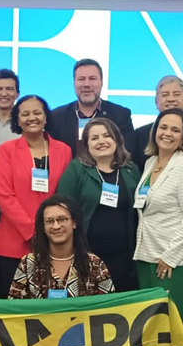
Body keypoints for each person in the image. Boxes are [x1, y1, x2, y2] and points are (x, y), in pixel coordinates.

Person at [133, 108, 183, 346]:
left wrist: (170, 256)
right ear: (155, 131)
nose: (168, 133)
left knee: (173, 327)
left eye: (175, 130)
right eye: (163, 127)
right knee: (152, 326)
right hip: (146, 255)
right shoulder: (151, 163)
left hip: (174, 262)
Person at [0, 95, 72, 298]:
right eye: (25, 114)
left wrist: (50, 230)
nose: (31, 118)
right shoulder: (6, 150)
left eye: (37, 112)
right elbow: (4, 195)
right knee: (10, 305)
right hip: (13, 242)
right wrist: (34, 231)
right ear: (17, 120)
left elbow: (65, 194)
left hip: (54, 240)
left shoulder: (64, 150)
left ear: (46, 117)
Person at [56, 117, 141, 291]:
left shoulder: (131, 169)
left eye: (107, 136)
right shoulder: (76, 169)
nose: (101, 141)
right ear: (87, 145)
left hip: (124, 255)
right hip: (87, 253)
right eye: (94, 138)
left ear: (117, 139)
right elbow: (62, 208)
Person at [8, 195, 114, 299]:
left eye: (62, 219)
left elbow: (109, 306)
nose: (56, 226)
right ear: (43, 227)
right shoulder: (28, 264)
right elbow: (14, 306)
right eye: (50, 221)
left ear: (74, 223)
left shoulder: (95, 264)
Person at [47, 59, 134, 151]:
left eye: (92, 79)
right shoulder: (56, 116)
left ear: (101, 82)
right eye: (81, 79)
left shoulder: (121, 115)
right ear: (74, 82)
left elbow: (127, 153)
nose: (86, 84)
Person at [128, 75, 183, 173]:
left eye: (176, 94)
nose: (171, 99)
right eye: (165, 95)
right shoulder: (141, 134)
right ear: (156, 102)